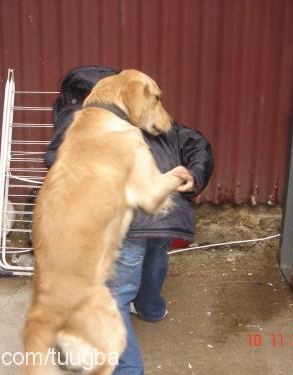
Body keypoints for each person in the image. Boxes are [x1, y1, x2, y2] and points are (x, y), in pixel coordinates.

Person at [45, 65, 214, 374]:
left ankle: (127, 369)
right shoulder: (149, 110)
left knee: (113, 295)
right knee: (155, 250)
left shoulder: (79, 116)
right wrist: (194, 173)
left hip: (124, 215)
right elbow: (196, 143)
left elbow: (56, 159)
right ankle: (150, 308)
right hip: (165, 208)